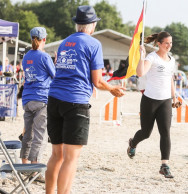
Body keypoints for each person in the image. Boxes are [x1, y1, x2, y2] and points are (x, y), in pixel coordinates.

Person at [45, 5, 125, 194]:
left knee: (56, 155)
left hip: (54, 98)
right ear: (92, 24)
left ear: (77, 24)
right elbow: (97, 81)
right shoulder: (93, 44)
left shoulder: (65, 42)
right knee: (71, 157)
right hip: (75, 101)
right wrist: (112, 88)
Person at [126, 31, 178, 179]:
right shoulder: (152, 57)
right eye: (166, 43)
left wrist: (174, 97)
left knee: (165, 132)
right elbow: (141, 73)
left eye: (171, 43)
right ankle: (133, 143)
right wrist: (142, 56)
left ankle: (164, 165)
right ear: (159, 44)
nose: (169, 46)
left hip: (165, 101)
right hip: (149, 100)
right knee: (146, 133)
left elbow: (170, 80)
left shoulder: (171, 60)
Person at [20, 27, 56, 183]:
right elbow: (55, 75)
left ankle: (24, 166)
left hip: (27, 99)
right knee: (40, 136)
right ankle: (35, 170)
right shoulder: (44, 56)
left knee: (28, 134)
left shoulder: (26, 57)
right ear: (44, 39)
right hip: (41, 98)